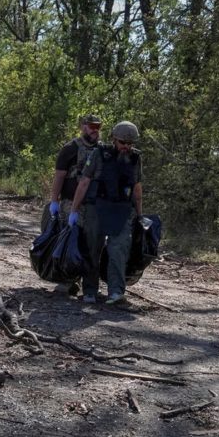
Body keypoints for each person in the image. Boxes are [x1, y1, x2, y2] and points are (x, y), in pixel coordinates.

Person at [68, 121, 144, 305]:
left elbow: (137, 189)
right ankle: (90, 291)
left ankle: (116, 292)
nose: (125, 147)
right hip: (97, 208)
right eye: (122, 142)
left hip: (122, 210)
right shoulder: (98, 154)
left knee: (119, 251)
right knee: (92, 249)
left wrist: (140, 216)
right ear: (113, 139)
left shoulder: (135, 159)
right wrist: (74, 210)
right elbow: (84, 182)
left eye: (129, 143)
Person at [46, 114, 102, 227]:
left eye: (98, 127)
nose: (95, 130)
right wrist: (54, 201)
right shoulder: (70, 148)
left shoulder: (102, 150)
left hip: (94, 203)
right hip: (70, 201)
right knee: (71, 236)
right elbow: (59, 176)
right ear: (83, 127)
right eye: (92, 126)